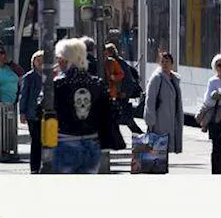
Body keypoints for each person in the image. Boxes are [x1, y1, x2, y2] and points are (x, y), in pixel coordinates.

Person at [52, 38, 113, 174]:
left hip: (66, 140)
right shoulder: (97, 84)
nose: (58, 61)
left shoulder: (58, 84)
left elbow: (42, 108)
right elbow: (110, 110)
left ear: (65, 59)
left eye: (59, 58)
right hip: (92, 142)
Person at [144, 52, 184, 155]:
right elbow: (150, 100)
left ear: (172, 64)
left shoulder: (174, 79)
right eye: (162, 62)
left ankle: (161, 168)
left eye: (167, 62)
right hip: (159, 120)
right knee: (159, 149)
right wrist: (150, 121)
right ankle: (157, 169)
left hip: (172, 120)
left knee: (163, 150)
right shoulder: (156, 78)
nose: (165, 64)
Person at [105, 42, 143, 134]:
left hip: (120, 95)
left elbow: (127, 80)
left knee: (124, 118)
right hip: (119, 94)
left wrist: (125, 93)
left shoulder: (116, 63)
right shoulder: (118, 62)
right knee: (123, 118)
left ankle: (140, 136)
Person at [18, 51, 45, 174]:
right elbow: (24, 95)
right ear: (33, 62)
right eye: (37, 59)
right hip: (32, 114)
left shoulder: (50, 76)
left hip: (46, 114)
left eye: (42, 59)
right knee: (36, 141)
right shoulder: (29, 77)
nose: (40, 62)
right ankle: (34, 167)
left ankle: (45, 164)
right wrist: (22, 112)